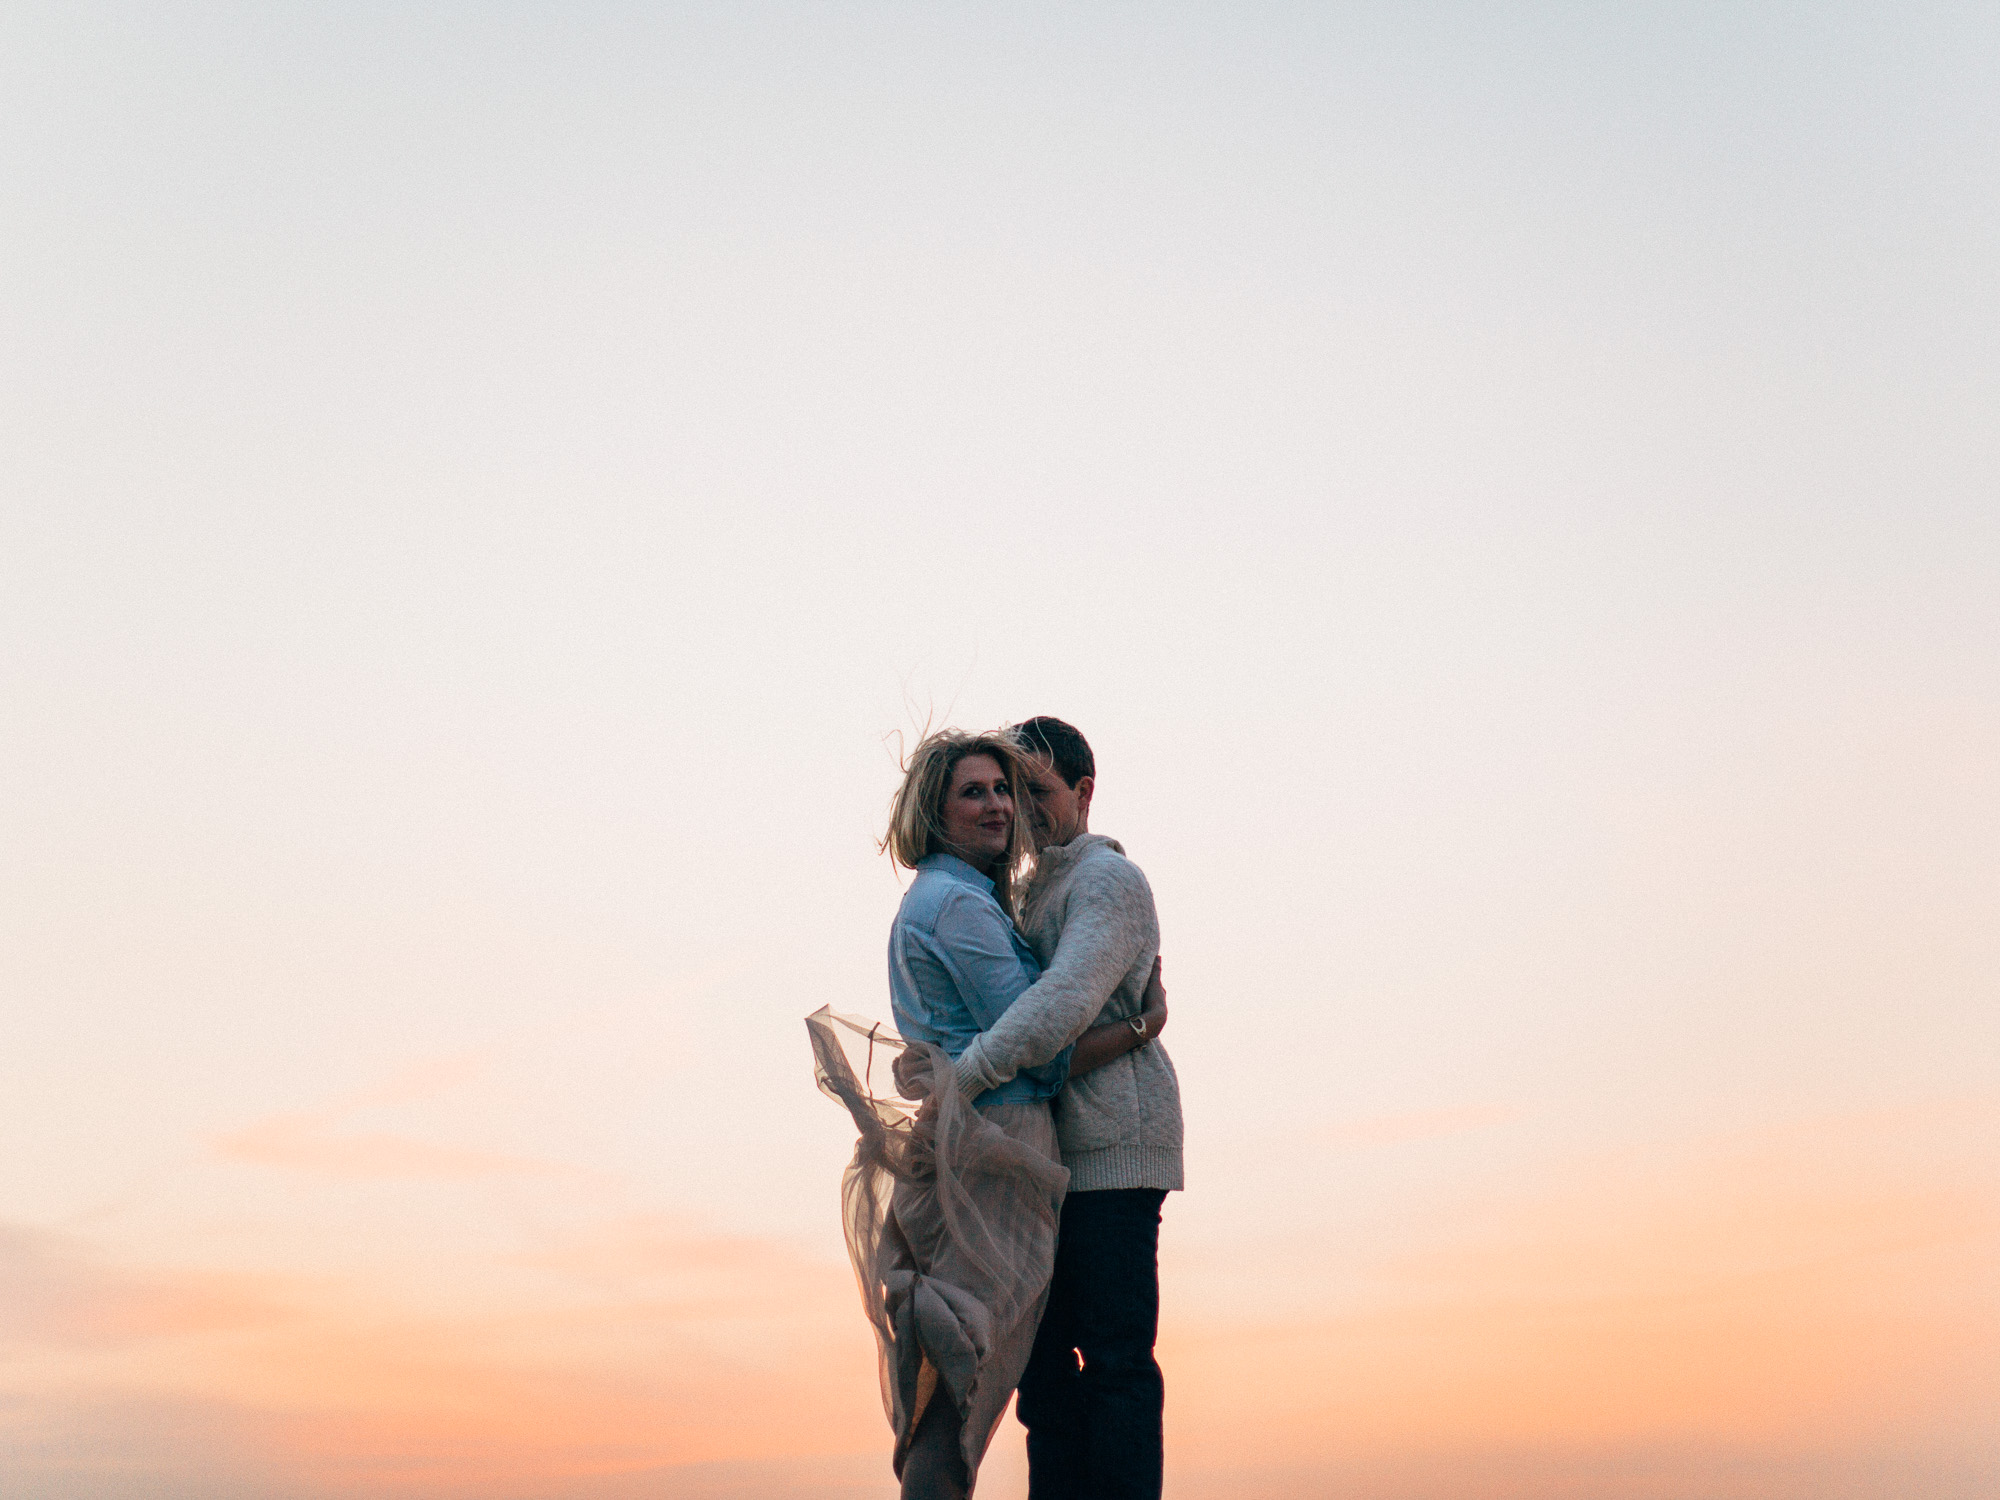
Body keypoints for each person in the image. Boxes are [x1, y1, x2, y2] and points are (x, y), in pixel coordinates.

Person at [805, 728, 1165, 1500]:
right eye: (983, 791)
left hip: (1022, 1154)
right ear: (935, 814)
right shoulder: (961, 905)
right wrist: (1138, 1028)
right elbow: (1039, 1040)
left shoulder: (1058, 889)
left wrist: (948, 1070)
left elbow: (1033, 1021)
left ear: (1084, 792)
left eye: (1017, 789)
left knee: (1011, 1378)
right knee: (969, 1392)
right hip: (995, 1153)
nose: (1006, 807)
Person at [949, 716, 1184, 1500]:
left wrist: (966, 1075)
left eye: (1038, 790)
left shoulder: (1108, 881)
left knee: (1114, 1358)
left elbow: (1061, 1005)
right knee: (1042, 1370)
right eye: (1014, 791)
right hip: (1048, 1157)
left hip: (1115, 1151)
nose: (1021, 808)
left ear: (1084, 793)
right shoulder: (1025, 893)